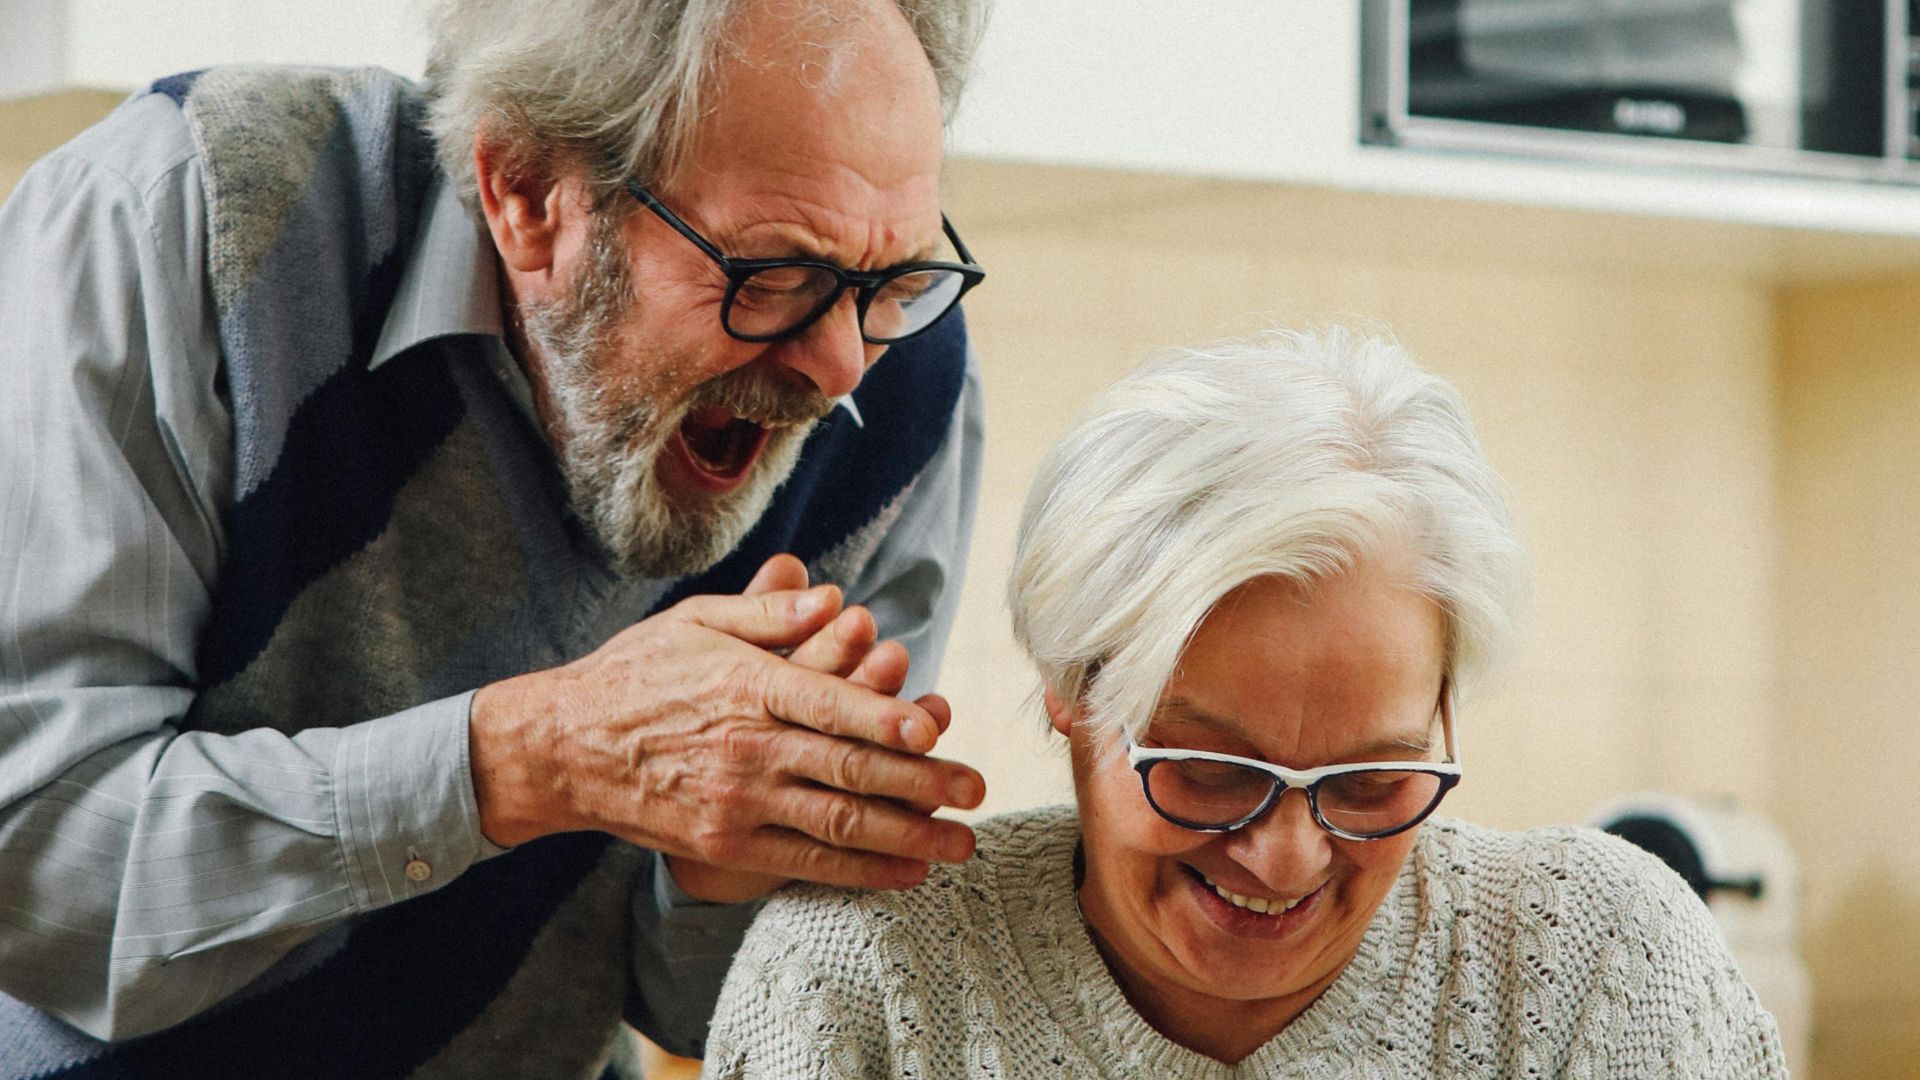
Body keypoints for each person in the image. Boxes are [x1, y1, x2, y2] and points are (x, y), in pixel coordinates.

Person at [0, 0, 991, 1075]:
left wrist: (741, 868)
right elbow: (35, 868)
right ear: (525, 189)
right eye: (775, 275)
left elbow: (724, 1010)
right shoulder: (178, 223)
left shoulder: (907, 398)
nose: (842, 367)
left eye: (891, 278)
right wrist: (528, 757)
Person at [703, 328, 1789, 1078]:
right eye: (1212, 773)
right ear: (1073, 693)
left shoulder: (1601, 963)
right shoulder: (861, 984)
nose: (1284, 860)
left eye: (1369, 782)